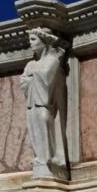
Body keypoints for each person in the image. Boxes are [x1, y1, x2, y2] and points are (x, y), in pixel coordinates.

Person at [20, 27, 67, 178]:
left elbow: (46, 77)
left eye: (33, 40)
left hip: (45, 104)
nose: (31, 44)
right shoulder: (30, 64)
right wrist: (33, 76)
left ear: (44, 42)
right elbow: (23, 82)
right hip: (32, 103)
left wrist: (32, 76)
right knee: (34, 129)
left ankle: (49, 160)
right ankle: (40, 159)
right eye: (30, 40)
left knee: (44, 123)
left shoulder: (52, 60)